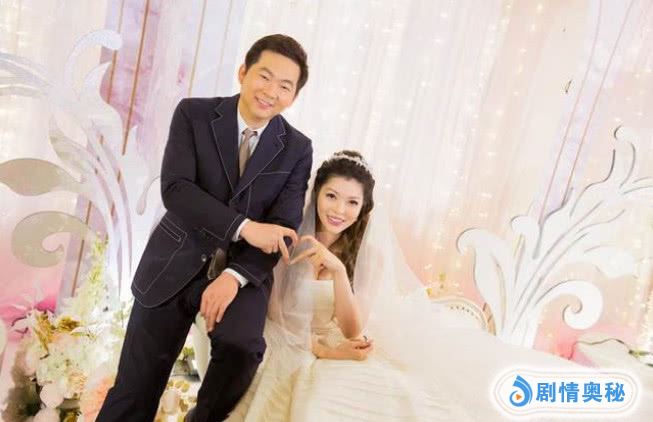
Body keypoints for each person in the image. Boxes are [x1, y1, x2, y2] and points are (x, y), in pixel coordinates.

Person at [224, 150, 651, 422]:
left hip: (341, 346)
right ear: (316, 193)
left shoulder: (366, 255)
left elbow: (353, 329)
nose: (339, 210)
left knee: (412, 400)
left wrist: (337, 272)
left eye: (352, 202)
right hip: (293, 347)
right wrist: (325, 350)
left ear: (365, 208)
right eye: (331, 196)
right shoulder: (290, 241)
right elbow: (274, 319)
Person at [97, 34, 313, 422]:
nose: (271, 92)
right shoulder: (194, 115)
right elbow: (176, 189)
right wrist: (245, 227)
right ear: (243, 72)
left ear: (294, 96)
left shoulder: (297, 148)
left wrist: (233, 276)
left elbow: (282, 228)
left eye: (285, 86)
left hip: (243, 272)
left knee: (243, 348)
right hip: (174, 260)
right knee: (134, 390)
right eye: (264, 76)